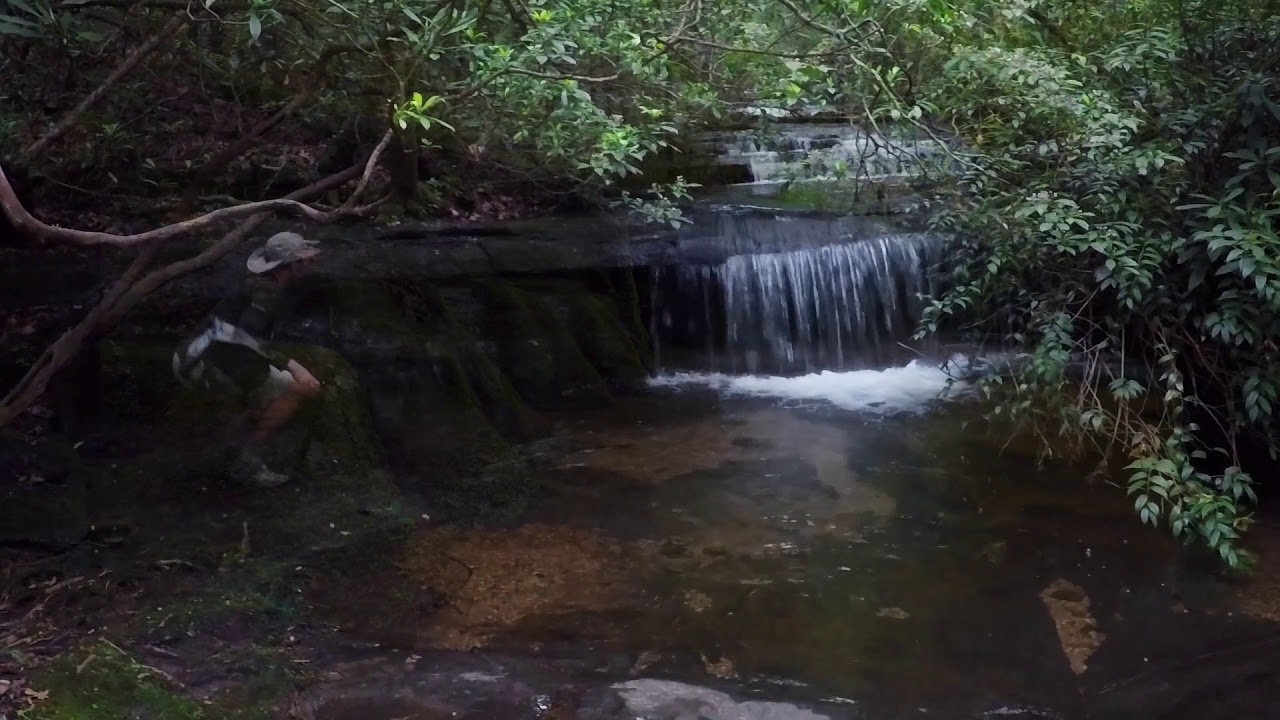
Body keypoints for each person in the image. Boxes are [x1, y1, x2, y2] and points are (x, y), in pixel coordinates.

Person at [172, 231, 323, 487]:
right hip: (205, 364)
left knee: (261, 398)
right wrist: (292, 364)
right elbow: (245, 335)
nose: (313, 264)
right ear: (291, 265)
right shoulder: (265, 293)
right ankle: (246, 465)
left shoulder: (258, 284)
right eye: (306, 260)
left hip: (196, 356)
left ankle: (232, 456)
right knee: (303, 388)